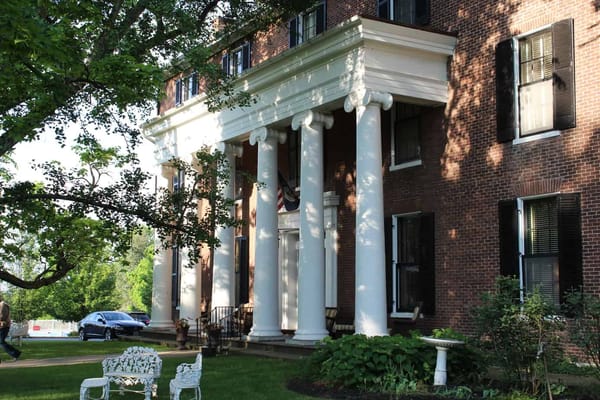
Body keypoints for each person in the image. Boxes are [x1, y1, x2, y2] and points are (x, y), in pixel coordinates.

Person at [0, 294, 21, 362]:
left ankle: (15, 353)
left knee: (1, 342)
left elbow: (2, 316)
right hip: (2, 326)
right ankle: (15, 353)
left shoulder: (2, 304)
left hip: (3, 326)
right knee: (1, 342)